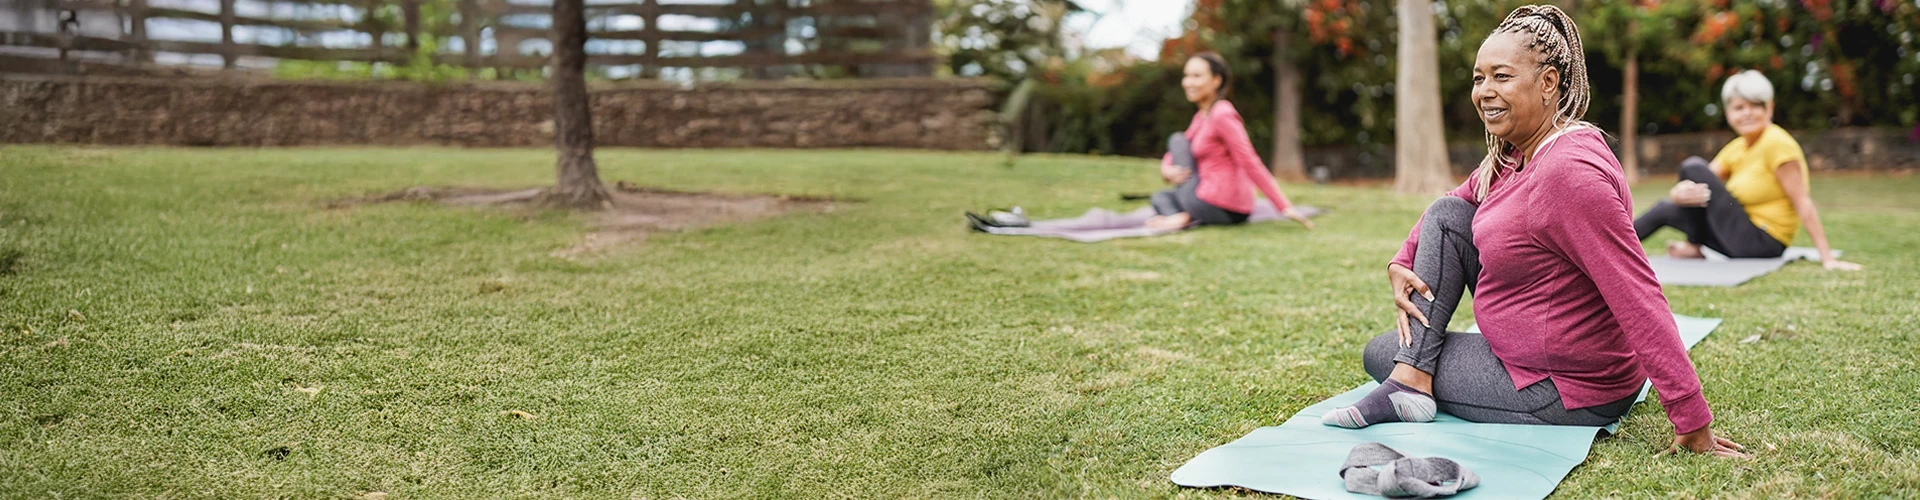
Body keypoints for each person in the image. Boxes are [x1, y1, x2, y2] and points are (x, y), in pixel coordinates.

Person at [1320, 5, 1748, 459]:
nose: (1485, 91)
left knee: (1380, 351)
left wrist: (1692, 419)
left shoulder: (1568, 173)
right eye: (1478, 78)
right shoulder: (1516, 154)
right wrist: (1401, 260)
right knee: (1447, 216)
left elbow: (1636, 292)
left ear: (1548, 83)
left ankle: (1410, 379)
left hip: (1564, 387)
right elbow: (1454, 203)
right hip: (1534, 359)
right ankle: (1412, 379)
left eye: (1501, 76)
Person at [1632, 70, 1861, 270]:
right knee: (1665, 208)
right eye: (1739, 107)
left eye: (1755, 106)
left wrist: (1827, 258)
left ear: (1769, 108)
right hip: (1736, 235)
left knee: (1692, 165)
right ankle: (1604, 253)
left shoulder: (1777, 143)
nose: (1747, 113)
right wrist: (1678, 193)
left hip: (1763, 241)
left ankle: (1693, 246)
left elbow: (1802, 201)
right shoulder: (1738, 147)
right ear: (1729, 114)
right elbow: (1702, 181)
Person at [1146, 52, 1314, 230]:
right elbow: (1178, 149)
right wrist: (1166, 169)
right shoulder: (1201, 117)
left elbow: (1249, 160)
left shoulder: (1222, 113)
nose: (1188, 82)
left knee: (1176, 138)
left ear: (1216, 80)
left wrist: (1283, 205)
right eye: (1186, 76)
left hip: (1221, 204)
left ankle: (1184, 215)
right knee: (1160, 197)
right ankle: (1183, 216)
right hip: (1203, 197)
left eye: (1196, 76)